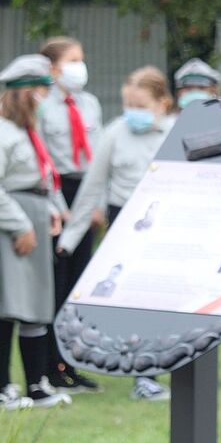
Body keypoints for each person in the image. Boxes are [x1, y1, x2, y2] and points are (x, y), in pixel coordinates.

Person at [57, 65, 176, 402]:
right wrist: (69, 239)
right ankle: (144, 374)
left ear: (162, 103)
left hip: (167, 222)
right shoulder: (114, 133)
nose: (133, 114)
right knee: (133, 301)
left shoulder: (176, 134)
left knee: (162, 300)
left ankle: (163, 366)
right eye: (129, 105)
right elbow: (91, 188)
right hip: (126, 221)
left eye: (141, 106)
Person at [0, 54, 72, 409]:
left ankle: (36, 383)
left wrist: (52, 209)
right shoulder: (3, 132)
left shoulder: (30, 132)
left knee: (37, 304)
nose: (46, 99)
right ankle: (3, 387)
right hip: (13, 223)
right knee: (9, 304)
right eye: (41, 91)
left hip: (36, 214)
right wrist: (21, 224)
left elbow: (42, 175)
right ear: (23, 93)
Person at [36, 36, 103, 394]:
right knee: (56, 286)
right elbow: (43, 160)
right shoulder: (42, 105)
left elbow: (98, 156)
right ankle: (49, 367)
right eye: (72, 60)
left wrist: (96, 204)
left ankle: (72, 366)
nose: (80, 66)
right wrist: (61, 208)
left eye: (82, 58)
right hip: (57, 195)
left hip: (86, 191)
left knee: (80, 286)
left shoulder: (90, 103)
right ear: (53, 68)